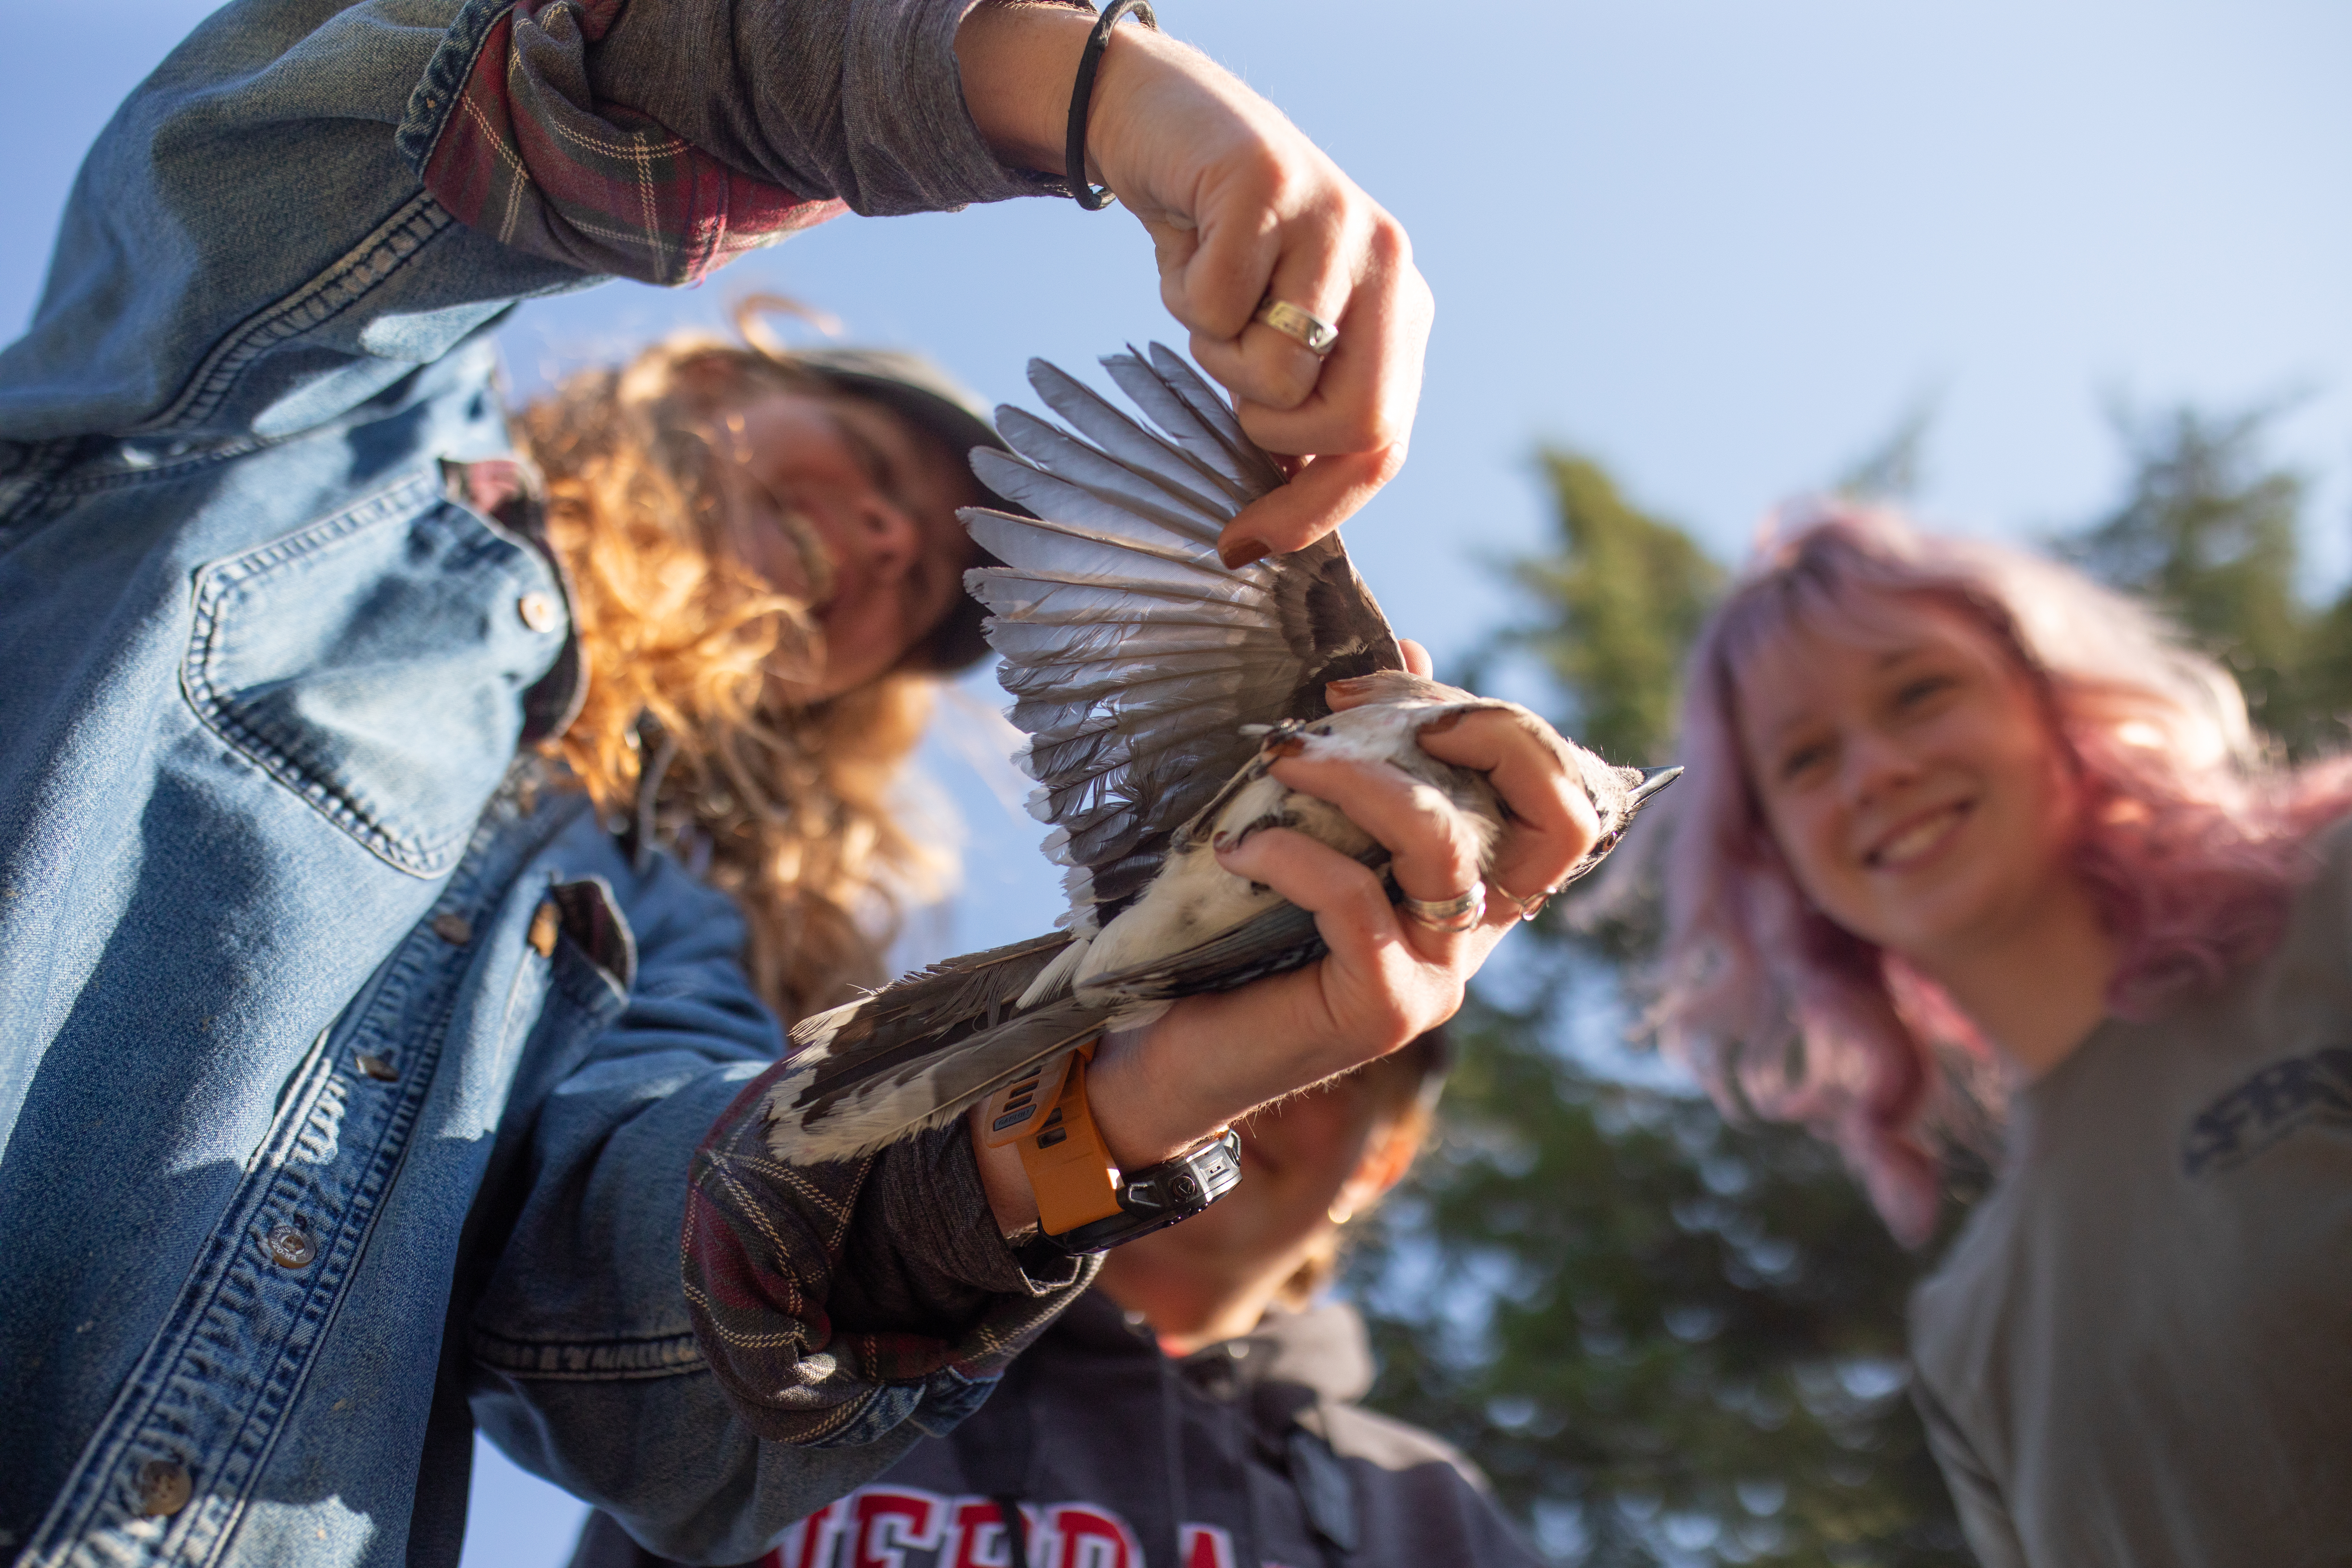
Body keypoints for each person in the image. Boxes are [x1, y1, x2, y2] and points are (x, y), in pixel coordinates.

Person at [0, 2, 1602, 1564]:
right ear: (713, 386)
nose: (903, 543)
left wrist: (1132, 1094)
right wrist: (1092, 87)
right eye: (878, 463)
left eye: (918, 606)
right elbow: (444, 101)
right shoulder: (301, 432)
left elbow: (667, 1357)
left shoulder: (663, 931)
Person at [1655, 501, 2352, 1567]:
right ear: (1778, 862)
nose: (1876, 770)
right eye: (1804, 759)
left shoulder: (2333, 910)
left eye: (1921, 692)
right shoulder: (1968, 1339)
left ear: (2053, 702)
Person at [569, 1029, 1548, 1568]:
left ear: (1381, 1162)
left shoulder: (1428, 1515)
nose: (1264, 1071)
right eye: (1210, 998)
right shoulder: (798, 1358)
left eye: (1338, 1057)